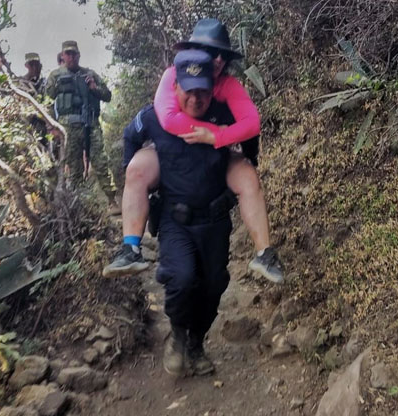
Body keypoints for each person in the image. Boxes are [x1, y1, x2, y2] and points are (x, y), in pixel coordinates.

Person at [104, 18, 285, 284]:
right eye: (211, 53)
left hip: (216, 159)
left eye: (222, 55)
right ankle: (130, 248)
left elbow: (252, 123)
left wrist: (218, 137)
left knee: (248, 177)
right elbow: (166, 119)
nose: (218, 60)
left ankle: (264, 253)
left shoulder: (227, 84)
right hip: (173, 157)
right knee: (137, 170)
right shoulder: (172, 76)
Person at [130, 49, 234, 376]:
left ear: (211, 89)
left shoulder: (223, 113)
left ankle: (197, 342)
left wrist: (243, 165)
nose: (196, 98)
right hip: (176, 219)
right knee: (183, 278)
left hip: (216, 220)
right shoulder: (155, 117)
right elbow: (129, 137)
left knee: (214, 284)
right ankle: (176, 334)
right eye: (189, 90)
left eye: (203, 90)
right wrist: (139, 172)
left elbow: (250, 137)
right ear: (175, 88)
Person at [44, 40, 115, 201]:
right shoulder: (55, 76)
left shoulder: (90, 74)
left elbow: (108, 96)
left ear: (79, 55)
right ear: (63, 56)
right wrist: (51, 126)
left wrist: (94, 88)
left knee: (101, 162)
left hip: (90, 124)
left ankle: (112, 199)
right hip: (67, 128)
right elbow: (47, 101)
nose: (71, 57)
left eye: (74, 54)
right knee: (75, 168)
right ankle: (81, 203)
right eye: (67, 54)